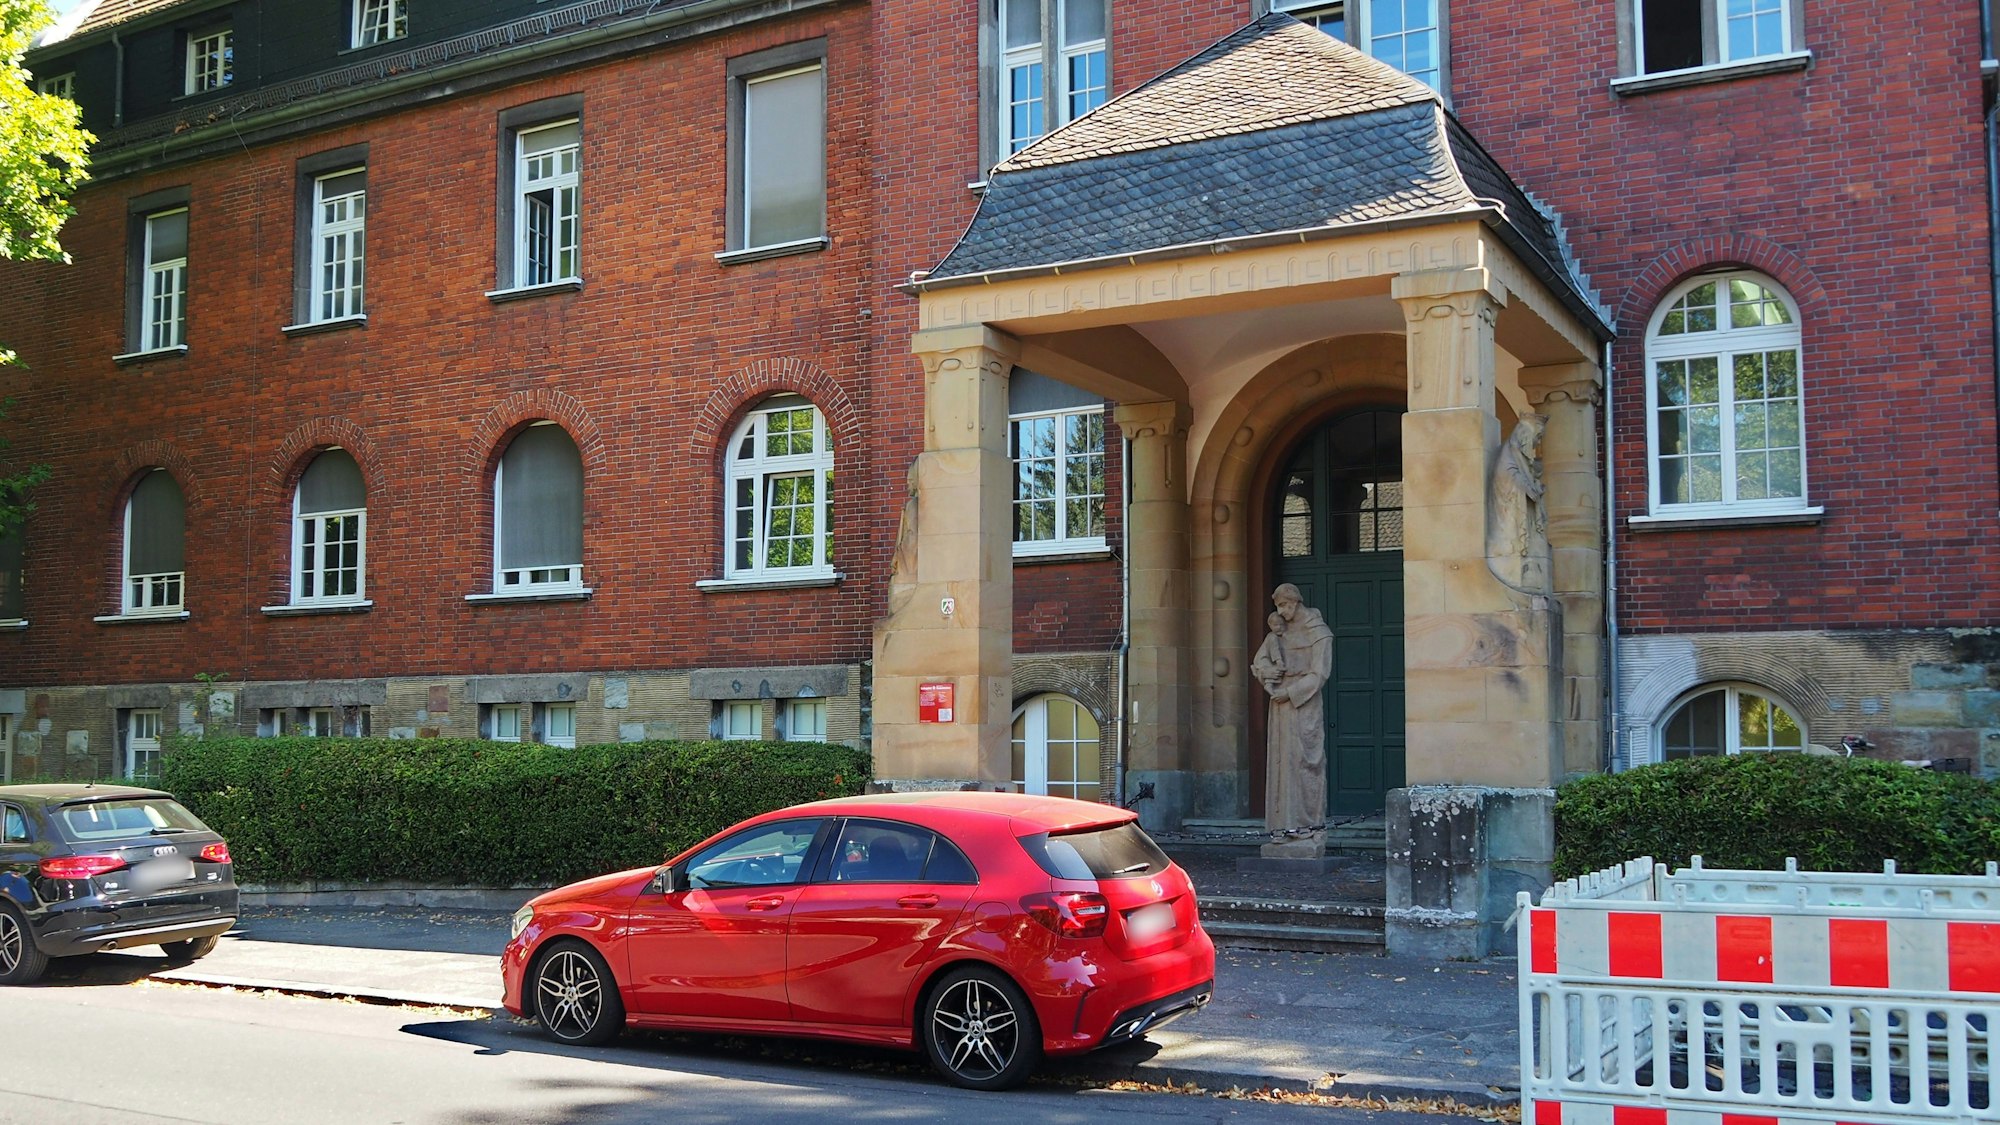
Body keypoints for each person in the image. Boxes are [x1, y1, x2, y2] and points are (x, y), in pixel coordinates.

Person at [1261, 583, 1333, 850]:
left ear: (1295, 602)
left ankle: (1307, 828)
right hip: (1280, 705)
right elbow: (1261, 660)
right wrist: (1268, 673)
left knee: (1305, 762)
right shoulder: (1278, 631)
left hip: (1303, 703)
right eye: (1278, 607)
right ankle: (1281, 828)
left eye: (1284, 606)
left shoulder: (1318, 632)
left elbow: (1320, 673)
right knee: (1281, 763)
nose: (1281, 612)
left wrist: (1291, 692)